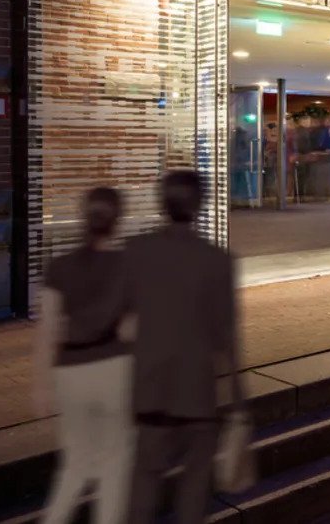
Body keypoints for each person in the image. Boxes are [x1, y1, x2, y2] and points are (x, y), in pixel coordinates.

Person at [126, 169, 244, 524]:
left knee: (144, 485)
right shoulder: (217, 261)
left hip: (150, 391)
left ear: (161, 204)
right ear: (200, 205)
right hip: (197, 393)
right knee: (194, 491)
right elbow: (227, 337)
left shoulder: (137, 252)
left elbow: (120, 322)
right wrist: (238, 398)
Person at [34, 186, 133, 524]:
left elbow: (48, 330)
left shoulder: (59, 267)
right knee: (114, 463)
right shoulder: (125, 266)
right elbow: (130, 331)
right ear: (117, 222)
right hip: (114, 370)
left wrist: (41, 385)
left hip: (70, 373)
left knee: (74, 464)